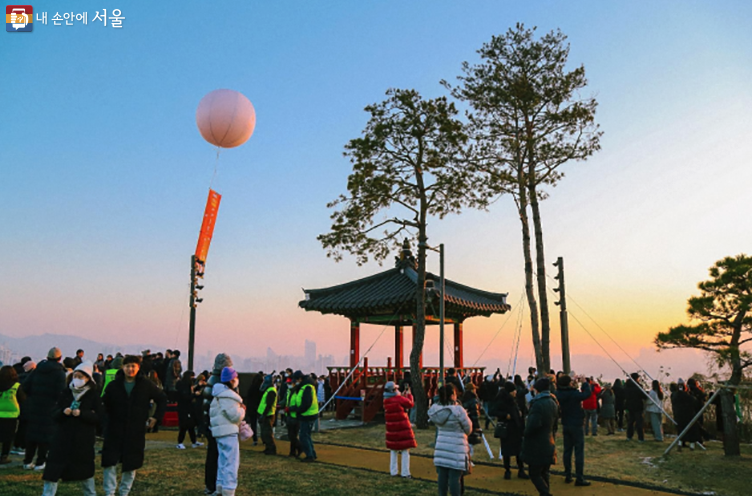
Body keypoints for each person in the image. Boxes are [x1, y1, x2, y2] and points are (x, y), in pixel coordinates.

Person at [101, 355, 167, 496]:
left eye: (133, 366)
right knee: (110, 462)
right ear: (122, 367)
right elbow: (104, 406)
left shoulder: (146, 384)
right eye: (127, 366)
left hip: (135, 430)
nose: (130, 369)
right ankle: (109, 492)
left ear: (138, 367)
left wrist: (156, 417)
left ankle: (124, 492)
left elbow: (162, 399)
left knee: (131, 464)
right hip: (114, 429)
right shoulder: (113, 385)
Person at [41, 361, 100, 496]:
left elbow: (99, 417)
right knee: (53, 470)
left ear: (88, 379)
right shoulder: (65, 392)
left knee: (85, 471)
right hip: (62, 438)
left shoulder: (93, 395)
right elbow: (54, 413)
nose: (77, 379)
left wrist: (83, 414)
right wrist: (63, 412)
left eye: (81, 377)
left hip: (83, 439)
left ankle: (90, 494)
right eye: (75, 376)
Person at [23, 347, 66, 471]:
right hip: (50, 407)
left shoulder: (37, 370)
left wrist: (33, 396)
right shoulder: (59, 373)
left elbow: (26, 386)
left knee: (32, 434)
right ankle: (40, 462)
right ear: (60, 358)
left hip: (34, 405)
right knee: (45, 436)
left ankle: (27, 461)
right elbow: (61, 392)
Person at [429, 385, 471, 496]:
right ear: (453, 395)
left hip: (442, 445)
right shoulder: (458, 410)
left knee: (442, 477)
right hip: (457, 447)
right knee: (455, 478)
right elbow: (468, 428)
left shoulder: (435, 410)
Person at [210, 367, 245, 496]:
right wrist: (242, 410)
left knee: (222, 461)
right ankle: (229, 490)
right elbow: (235, 416)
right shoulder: (230, 397)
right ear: (231, 380)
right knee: (231, 462)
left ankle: (220, 486)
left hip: (219, 432)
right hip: (229, 432)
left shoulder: (217, 395)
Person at [201, 353, 233, 496]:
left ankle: (210, 485)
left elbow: (206, 405)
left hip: (211, 423)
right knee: (220, 457)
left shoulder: (211, 380)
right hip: (220, 424)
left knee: (212, 455)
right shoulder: (223, 383)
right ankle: (216, 485)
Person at [521, 378, 559, 496]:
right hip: (549, 440)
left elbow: (533, 425)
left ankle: (545, 493)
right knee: (544, 472)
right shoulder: (553, 402)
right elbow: (555, 423)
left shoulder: (537, 404)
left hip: (537, 443)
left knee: (534, 472)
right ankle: (545, 492)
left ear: (537, 390)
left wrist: (525, 433)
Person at [553, 374, 591, 486]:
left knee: (567, 450)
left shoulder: (558, 393)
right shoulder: (574, 394)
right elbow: (587, 394)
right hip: (576, 424)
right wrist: (584, 382)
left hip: (566, 423)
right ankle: (579, 477)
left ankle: (568, 475)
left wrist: (572, 384)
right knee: (579, 451)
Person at [489, 381, 527, 480]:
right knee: (507, 451)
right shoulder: (501, 400)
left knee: (519, 450)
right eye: (514, 390)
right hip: (507, 428)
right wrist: (505, 415)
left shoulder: (514, 400)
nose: (515, 392)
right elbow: (492, 411)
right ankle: (508, 470)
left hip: (516, 427)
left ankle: (520, 469)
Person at [383, 381, 416, 478]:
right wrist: (409, 395)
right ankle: (405, 472)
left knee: (393, 450)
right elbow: (410, 404)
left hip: (391, 428)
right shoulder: (399, 399)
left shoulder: (386, 401)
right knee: (405, 450)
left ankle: (393, 471)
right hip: (402, 427)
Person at [0, 365, 26, 464]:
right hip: (11, 415)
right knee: (8, 437)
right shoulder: (16, 386)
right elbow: (22, 399)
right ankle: (4, 456)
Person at [292, 370, 319, 462]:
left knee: (303, 436)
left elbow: (306, 403)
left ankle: (309, 455)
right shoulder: (308, 385)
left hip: (307, 414)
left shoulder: (306, 387)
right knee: (307, 435)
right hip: (310, 414)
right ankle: (312, 453)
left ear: (300, 378)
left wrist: (298, 410)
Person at [671, 380, 701, 450]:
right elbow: (695, 402)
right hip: (688, 415)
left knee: (681, 430)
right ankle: (692, 445)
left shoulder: (674, 395)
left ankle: (680, 444)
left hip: (678, 415)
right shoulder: (687, 396)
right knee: (692, 430)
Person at [176, 370, 202, 449]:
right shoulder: (183, 386)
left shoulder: (185, 385)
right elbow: (186, 397)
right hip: (184, 408)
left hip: (188, 407)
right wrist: (195, 394)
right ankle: (180, 442)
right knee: (184, 425)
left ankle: (194, 441)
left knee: (191, 425)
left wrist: (198, 387)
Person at [257, 374, 277, 455]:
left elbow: (268, 405)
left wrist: (263, 415)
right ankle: (268, 448)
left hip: (268, 415)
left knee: (267, 433)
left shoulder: (271, 391)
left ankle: (272, 449)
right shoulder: (269, 390)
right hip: (265, 414)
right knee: (265, 433)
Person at [624, 373, 646, 442]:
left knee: (630, 421)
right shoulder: (638, 386)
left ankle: (629, 436)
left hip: (630, 406)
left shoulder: (627, 386)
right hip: (638, 406)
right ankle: (640, 438)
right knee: (639, 422)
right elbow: (643, 396)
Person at [285, 378, 302, 458]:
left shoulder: (298, 392)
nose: (289, 385)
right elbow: (287, 401)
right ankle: (292, 452)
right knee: (292, 436)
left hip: (295, 417)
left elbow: (299, 405)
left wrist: (290, 409)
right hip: (289, 416)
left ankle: (300, 447)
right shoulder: (289, 391)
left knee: (292, 435)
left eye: (290, 383)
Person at [687, 378, 708, 442]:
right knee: (700, 424)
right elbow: (704, 397)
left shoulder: (689, 391)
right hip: (699, 409)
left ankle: (695, 438)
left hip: (692, 409)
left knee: (693, 425)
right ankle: (700, 439)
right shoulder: (699, 390)